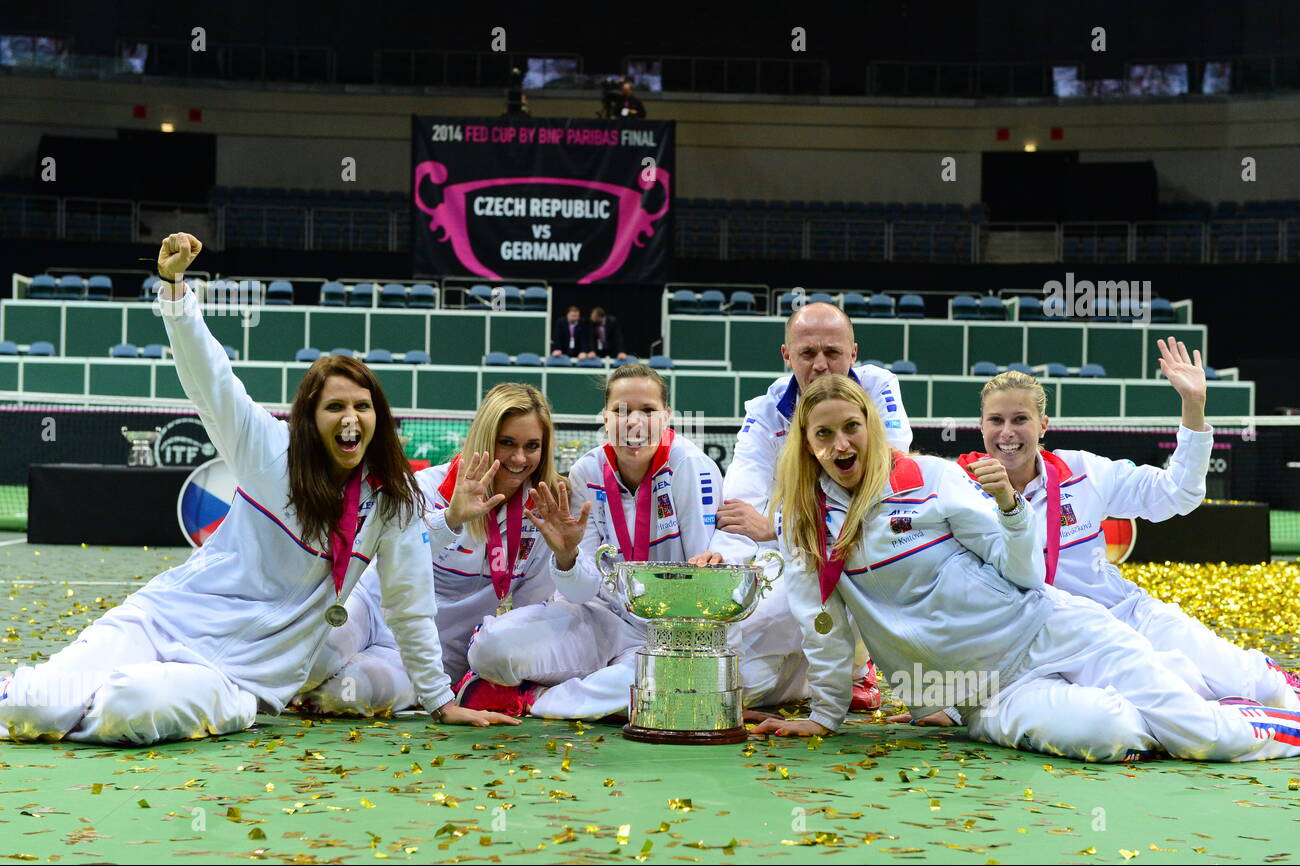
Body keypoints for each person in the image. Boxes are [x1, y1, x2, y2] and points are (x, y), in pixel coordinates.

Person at [0, 233, 513, 745]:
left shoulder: (392, 503)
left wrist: (441, 701)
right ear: (309, 419)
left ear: (378, 416)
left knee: (131, 706)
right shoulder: (271, 453)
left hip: (239, 677)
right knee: (32, 707)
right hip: (162, 621)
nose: (351, 417)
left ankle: (83, 706)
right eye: (335, 407)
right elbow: (212, 380)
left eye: (362, 405)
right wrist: (176, 293)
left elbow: (409, 605)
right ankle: (47, 702)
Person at [751, 373, 1300, 763]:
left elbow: (1024, 574)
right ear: (806, 444)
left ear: (869, 424)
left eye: (851, 426)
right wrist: (825, 714)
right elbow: (821, 625)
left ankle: (1225, 709)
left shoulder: (929, 477)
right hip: (984, 692)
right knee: (1111, 735)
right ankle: (1180, 686)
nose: (840, 443)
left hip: (1054, 629)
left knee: (1209, 738)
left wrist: (1012, 514)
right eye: (823, 434)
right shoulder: (805, 524)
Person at [888, 341, 1298, 728]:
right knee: (1181, 701)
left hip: (1128, 614)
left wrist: (1193, 405)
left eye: (1020, 419)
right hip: (1043, 643)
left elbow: (1178, 494)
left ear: (1043, 425)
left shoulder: (1083, 471)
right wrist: (951, 701)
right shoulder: (957, 489)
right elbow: (939, 596)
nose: (1007, 432)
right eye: (996, 420)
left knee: (1261, 686)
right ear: (980, 426)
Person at [451, 363, 721, 719]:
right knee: (491, 650)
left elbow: (704, 569)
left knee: (678, 682)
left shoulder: (691, 466)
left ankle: (533, 698)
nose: (634, 422)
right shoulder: (586, 473)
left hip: (667, 631)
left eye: (648, 411)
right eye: (621, 410)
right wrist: (566, 557)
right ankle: (588, 686)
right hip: (598, 618)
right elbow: (581, 592)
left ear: (667, 417)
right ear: (605, 418)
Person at [293, 384, 562, 716]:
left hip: (427, 656)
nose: (519, 458)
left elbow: (529, 612)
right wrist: (451, 519)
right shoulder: (424, 486)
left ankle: (326, 682)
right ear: (483, 438)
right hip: (370, 609)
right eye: (506, 442)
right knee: (310, 661)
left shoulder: (540, 516)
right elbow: (396, 556)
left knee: (348, 694)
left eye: (531, 446)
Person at [708, 301, 913, 711]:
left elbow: (883, 480)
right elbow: (740, 507)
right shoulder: (765, 412)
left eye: (832, 353)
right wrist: (725, 566)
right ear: (787, 356)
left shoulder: (879, 387)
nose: (821, 365)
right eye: (807, 353)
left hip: (869, 543)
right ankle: (817, 675)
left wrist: (779, 525)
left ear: (853, 353)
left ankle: (856, 669)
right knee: (750, 640)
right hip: (795, 550)